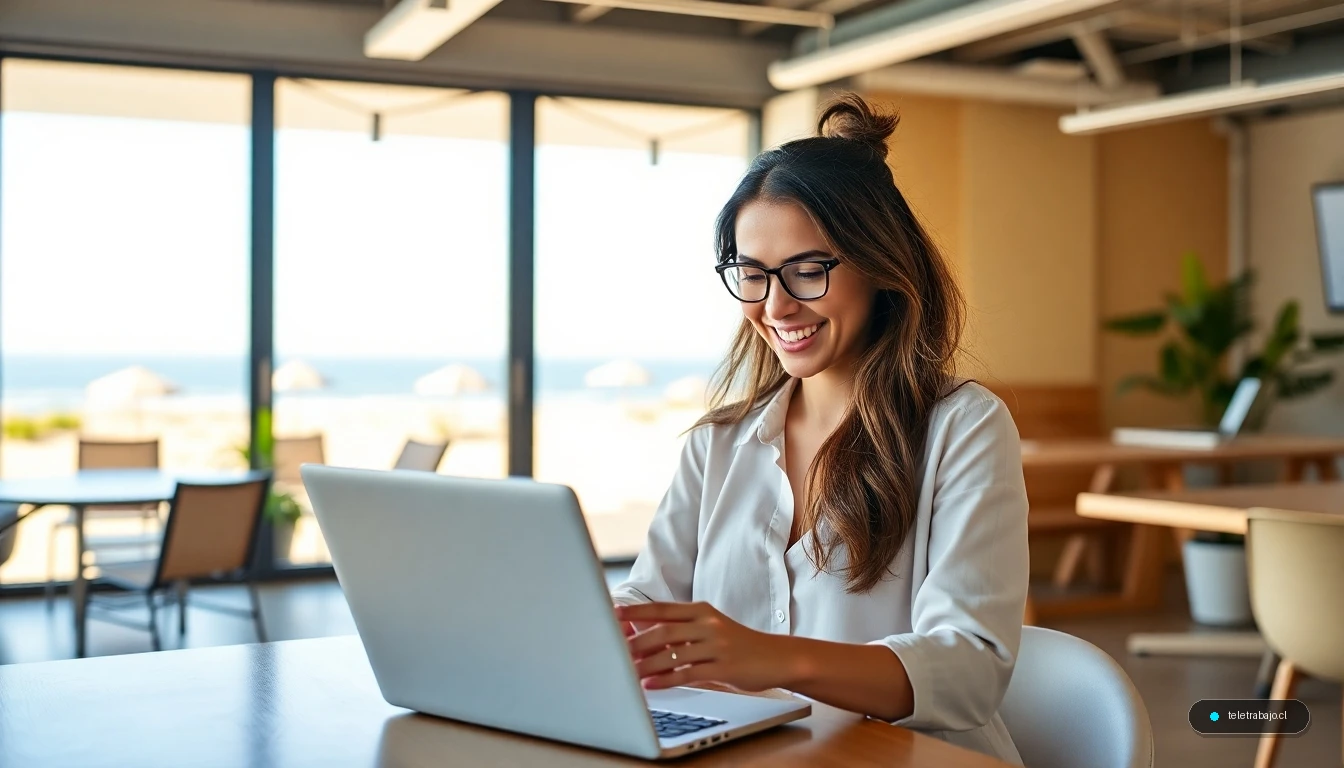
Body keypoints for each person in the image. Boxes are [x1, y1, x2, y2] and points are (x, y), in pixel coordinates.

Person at [609, 93, 1029, 764]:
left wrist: (769, 658)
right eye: (751, 274)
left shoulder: (964, 428)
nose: (775, 306)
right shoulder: (716, 443)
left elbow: (970, 670)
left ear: (879, 264)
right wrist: (604, 622)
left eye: (807, 271)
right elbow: (651, 602)